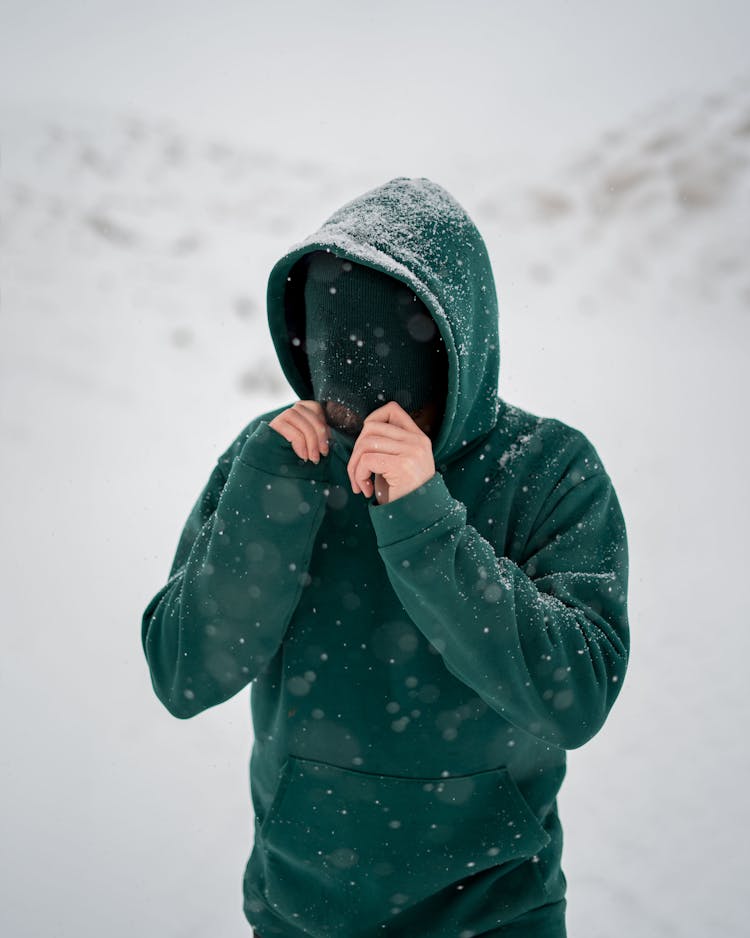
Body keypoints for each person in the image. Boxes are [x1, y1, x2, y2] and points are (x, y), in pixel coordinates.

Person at [141, 176, 630, 938]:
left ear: (453, 346)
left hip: (495, 913)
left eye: (398, 390)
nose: (360, 416)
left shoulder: (547, 468)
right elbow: (182, 674)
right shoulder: (274, 458)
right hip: (302, 913)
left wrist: (424, 519)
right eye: (337, 381)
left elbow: (578, 694)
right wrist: (264, 502)